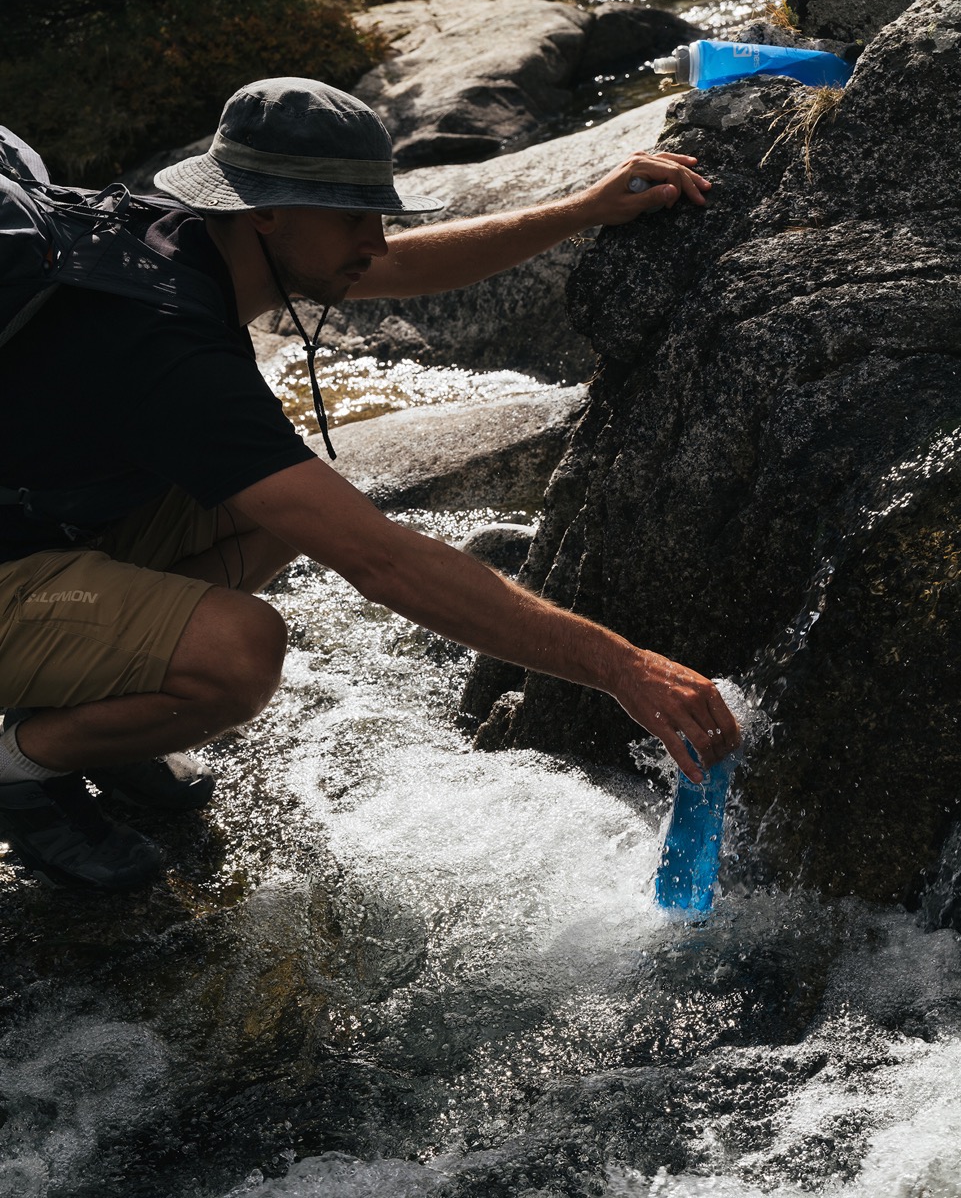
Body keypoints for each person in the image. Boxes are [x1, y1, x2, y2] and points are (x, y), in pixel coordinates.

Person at [0, 77, 739, 893]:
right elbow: (381, 563)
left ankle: (98, 718)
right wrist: (623, 667)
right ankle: (19, 768)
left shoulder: (173, 235)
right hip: (19, 557)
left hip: (37, 527)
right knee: (238, 654)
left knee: (282, 512)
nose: (374, 236)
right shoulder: (163, 347)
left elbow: (386, 265)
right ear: (266, 213)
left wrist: (577, 211)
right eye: (352, 215)